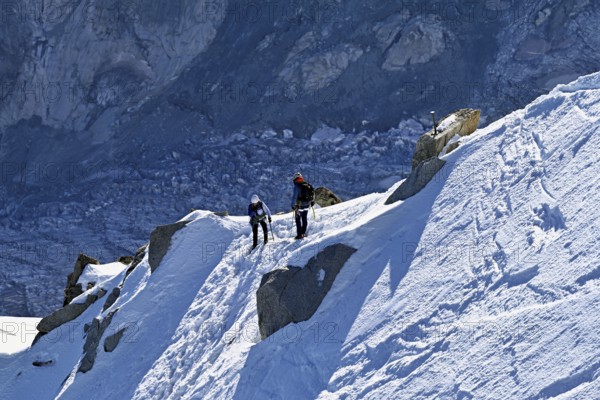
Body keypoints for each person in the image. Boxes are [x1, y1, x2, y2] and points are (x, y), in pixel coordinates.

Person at [290, 172, 314, 239]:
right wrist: (312, 201)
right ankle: (303, 233)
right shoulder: (307, 184)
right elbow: (312, 193)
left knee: (298, 220)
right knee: (304, 219)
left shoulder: (297, 186)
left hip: (299, 206)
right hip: (307, 205)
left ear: (295, 179)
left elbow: (294, 197)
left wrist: (292, 205)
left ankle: (299, 234)